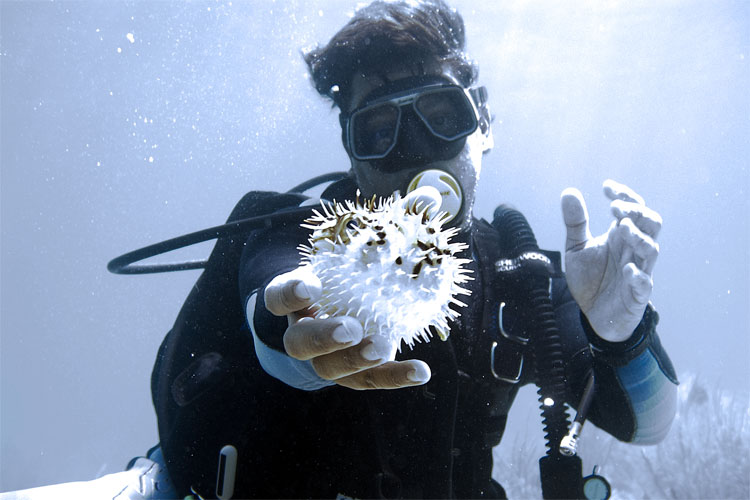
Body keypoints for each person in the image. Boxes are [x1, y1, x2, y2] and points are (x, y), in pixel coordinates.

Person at [150, 1, 678, 498]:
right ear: (351, 151)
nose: (415, 150)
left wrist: (620, 336)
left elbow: (647, 424)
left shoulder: (525, 283)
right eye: (379, 130)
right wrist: (300, 339)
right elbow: (276, 288)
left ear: (483, 122)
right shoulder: (286, 232)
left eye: (443, 117)